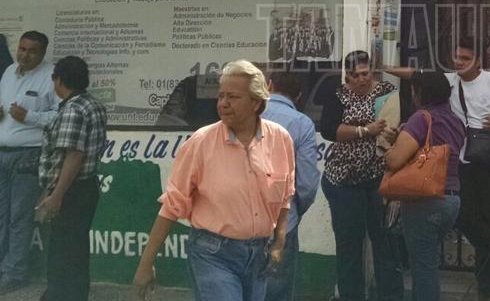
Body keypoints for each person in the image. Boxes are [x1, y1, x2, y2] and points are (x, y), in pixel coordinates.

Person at [133, 60, 295, 301]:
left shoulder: (280, 139)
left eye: (233, 97)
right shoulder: (201, 142)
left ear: (256, 102)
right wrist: (146, 264)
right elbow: (172, 205)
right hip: (212, 254)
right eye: (221, 96)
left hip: (258, 256)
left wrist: (279, 242)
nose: (223, 103)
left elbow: (285, 197)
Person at [388, 36, 490, 299]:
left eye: (465, 58)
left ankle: (485, 285)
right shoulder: (450, 80)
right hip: (463, 160)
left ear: (478, 61)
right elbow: (416, 75)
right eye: (456, 57)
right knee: (465, 217)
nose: (459, 62)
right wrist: (384, 68)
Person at [319, 50, 403, 301]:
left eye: (365, 74)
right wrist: (365, 130)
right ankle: (351, 295)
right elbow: (329, 129)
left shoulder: (386, 92)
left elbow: (398, 124)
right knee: (349, 244)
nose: (361, 80)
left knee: (384, 240)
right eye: (355, 76)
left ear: (372, 72)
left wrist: (394, 134)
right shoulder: (338, 95)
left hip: (377, 178)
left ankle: (391, 295)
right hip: (343, 181)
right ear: (348, 76)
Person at [385, 71, 466, 301]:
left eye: (413, 90)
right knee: (428, 261)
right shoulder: (456, 120)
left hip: (425, 201)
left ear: (420, 92)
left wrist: (390, 146)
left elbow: (395, 160)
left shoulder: (421, 119)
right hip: (451, 199)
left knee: (423, 268)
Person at [35, 56, 107, 301]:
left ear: (58, 80)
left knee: (62, 252)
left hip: (71, 189)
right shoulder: (92, 104)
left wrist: (56, 195)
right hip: (85, 187)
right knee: (76, 250)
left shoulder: (73, 109)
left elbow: (73, 155)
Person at [0, 31, 59, 293]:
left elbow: (61, 115)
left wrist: (30, 116)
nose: (25, 55)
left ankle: (15, 272)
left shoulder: (52, 76)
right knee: (2, 215)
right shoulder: (9, 72)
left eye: (32, 51)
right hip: (2, 151)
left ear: (43, 53)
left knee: (19, 216)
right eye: (22, 49)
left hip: (29, 154)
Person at [262, 69, 321, 301]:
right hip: (282, 219)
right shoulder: (302, 124)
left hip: (240, 219)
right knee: (276, 288)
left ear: (269, 85)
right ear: (298, 96)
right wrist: (297, 208)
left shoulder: (247, 115)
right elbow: (307, 183)